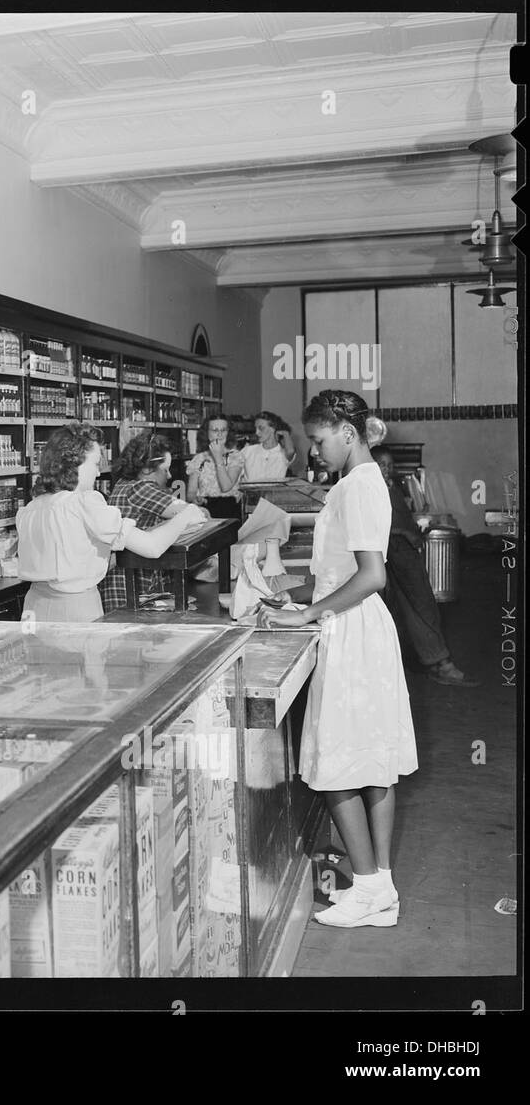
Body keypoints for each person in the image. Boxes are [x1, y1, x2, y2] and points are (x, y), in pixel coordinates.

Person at [261, 391, 417, 929]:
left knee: (338, 765)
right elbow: (342, 570)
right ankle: (381, 889)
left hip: (353, 631)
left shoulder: (359, 486)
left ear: (347, 433)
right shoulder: (361, 482)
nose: (315, 450)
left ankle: (371, 887)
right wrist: (302, 596)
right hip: (353, 624)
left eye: (320, 439)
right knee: (371, 760)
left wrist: (308, 613)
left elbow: (372, 575)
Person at [16, 423, 209, 622]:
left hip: (35, 608)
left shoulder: (32, 508)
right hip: (76, 609)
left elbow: (76, 555)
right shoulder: (84, 503)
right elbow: (152, 547)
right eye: (95, 464)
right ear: (74, 464)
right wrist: (185, 516)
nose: (98, 473)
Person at [371, 446, 478, 686]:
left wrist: (416, 521)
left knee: (415, 606)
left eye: (389, 464)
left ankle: (435, 661)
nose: (386, 469)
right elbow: (375, 525)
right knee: (421, 604)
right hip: (396, 550)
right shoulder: (373, 490)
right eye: (381, 464)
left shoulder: (391, 487)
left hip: (402, 551)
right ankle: (442, 664)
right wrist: (405, 533)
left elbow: (397, 517)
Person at [98, 431, 200, 613]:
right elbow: (194, 516)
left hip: (126, 577)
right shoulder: (141, 488)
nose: (169, 476)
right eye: (165, 469)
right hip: (128, 582)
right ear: (147, 470)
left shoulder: (124, 483)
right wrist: (189, 512)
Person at [185, 415, 243, 520]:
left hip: (229, 510)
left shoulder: (236, 456)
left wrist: (217, 457)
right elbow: (191, 492)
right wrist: (195, 498)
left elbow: (226, 487)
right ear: (207, 433)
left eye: (223, 430)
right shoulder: (199, 458)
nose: (219, 434)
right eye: (215, 430)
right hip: (205, 510)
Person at [240, 410, 297, 482]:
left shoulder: (283, 453)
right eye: (256, 428)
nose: (257, 433)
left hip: (274, 492)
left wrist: (285, 433)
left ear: (273, 429)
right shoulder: (247, 451)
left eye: (261, 428)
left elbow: (291, 451)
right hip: (250, 492)